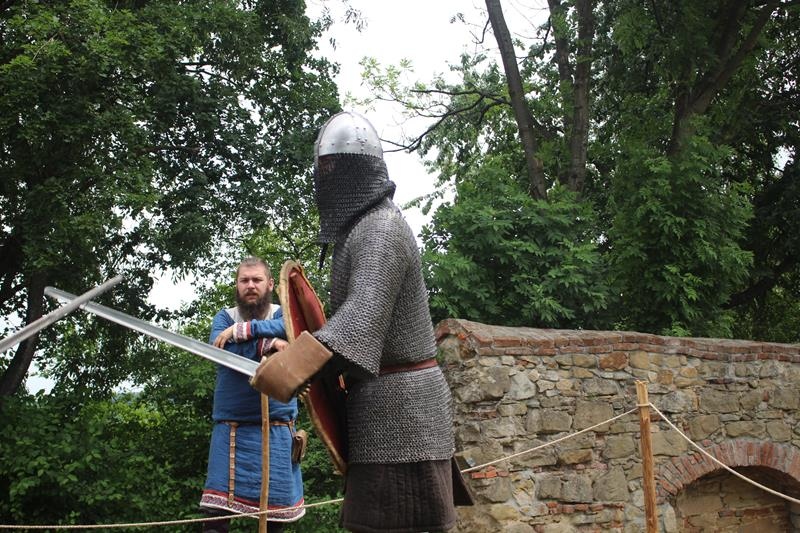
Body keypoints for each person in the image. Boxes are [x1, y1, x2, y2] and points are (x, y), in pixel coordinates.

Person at [251, 111, 458, 532]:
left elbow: (359, 323)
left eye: (331, 167)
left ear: (354, 170)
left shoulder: (381, 229)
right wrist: (298, 354)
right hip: (384, 407)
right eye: (322, 168)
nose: (323, 177)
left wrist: (292, 367)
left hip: (403, 414)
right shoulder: (362, 229)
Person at [199, 257, 305, 533]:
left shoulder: (284, 314)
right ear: (237, 285)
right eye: (244, 280)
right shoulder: (224, 317)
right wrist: (267, 344)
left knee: (274, 522)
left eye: (256, 280)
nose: (250, 285)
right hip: (231, 431)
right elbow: (221, 350)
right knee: (214, 520)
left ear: (269, 284)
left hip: (277, 431)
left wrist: (244, 330)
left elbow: (292, 330)